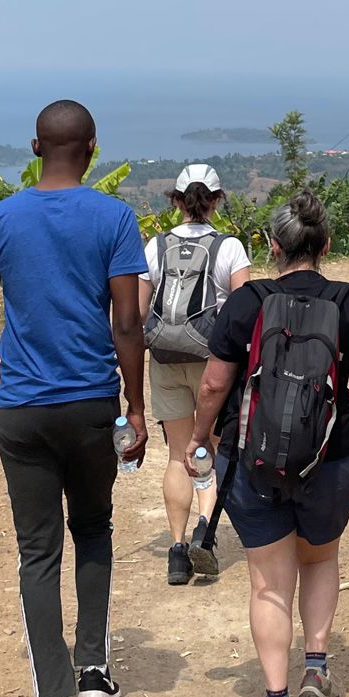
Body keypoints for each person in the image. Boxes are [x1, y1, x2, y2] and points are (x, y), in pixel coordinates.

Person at [186, 192, 349, 697]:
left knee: (267, 583)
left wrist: (198, 437)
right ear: (325, 246)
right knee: (321, 558)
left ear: (273, 245)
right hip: (329, 460)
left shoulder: (246, 303)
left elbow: (213, 384)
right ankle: (315, 667)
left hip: (253, 462)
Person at [0, 99, 149, 697]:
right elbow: (127, 322)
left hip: (23, 411)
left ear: (36, 146)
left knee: (37, 552)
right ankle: (93, 669)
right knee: (93, 528)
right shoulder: (114, 218)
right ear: (92, 149)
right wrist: (135, 406)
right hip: (91, 405)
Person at [140, 163, 252, 586]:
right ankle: (206, 528)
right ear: (217, 200)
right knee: (210, 446)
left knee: (176, 454)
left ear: (176, 200)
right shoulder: (230, 248)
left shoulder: (155, 247)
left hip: (165, 359)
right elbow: (244, 311)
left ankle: (176, 548)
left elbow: (138, 310)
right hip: (213, 363)